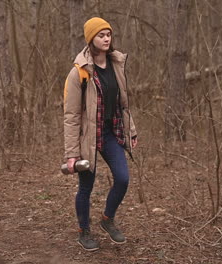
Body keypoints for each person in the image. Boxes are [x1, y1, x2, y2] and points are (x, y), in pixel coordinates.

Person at [63, 17, 138, 251]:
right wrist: (72, 154)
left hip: (110, 133)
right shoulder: (79, 73)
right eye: (101, 35)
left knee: (123, 179)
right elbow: (72, 116)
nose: (106, 39)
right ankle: (84, 230)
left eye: (108, 35)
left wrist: (131, 131)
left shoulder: (116, 64)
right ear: (91, 39)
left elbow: (122, 104)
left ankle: (107, 219)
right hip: (89, 138)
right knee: (86, 187)